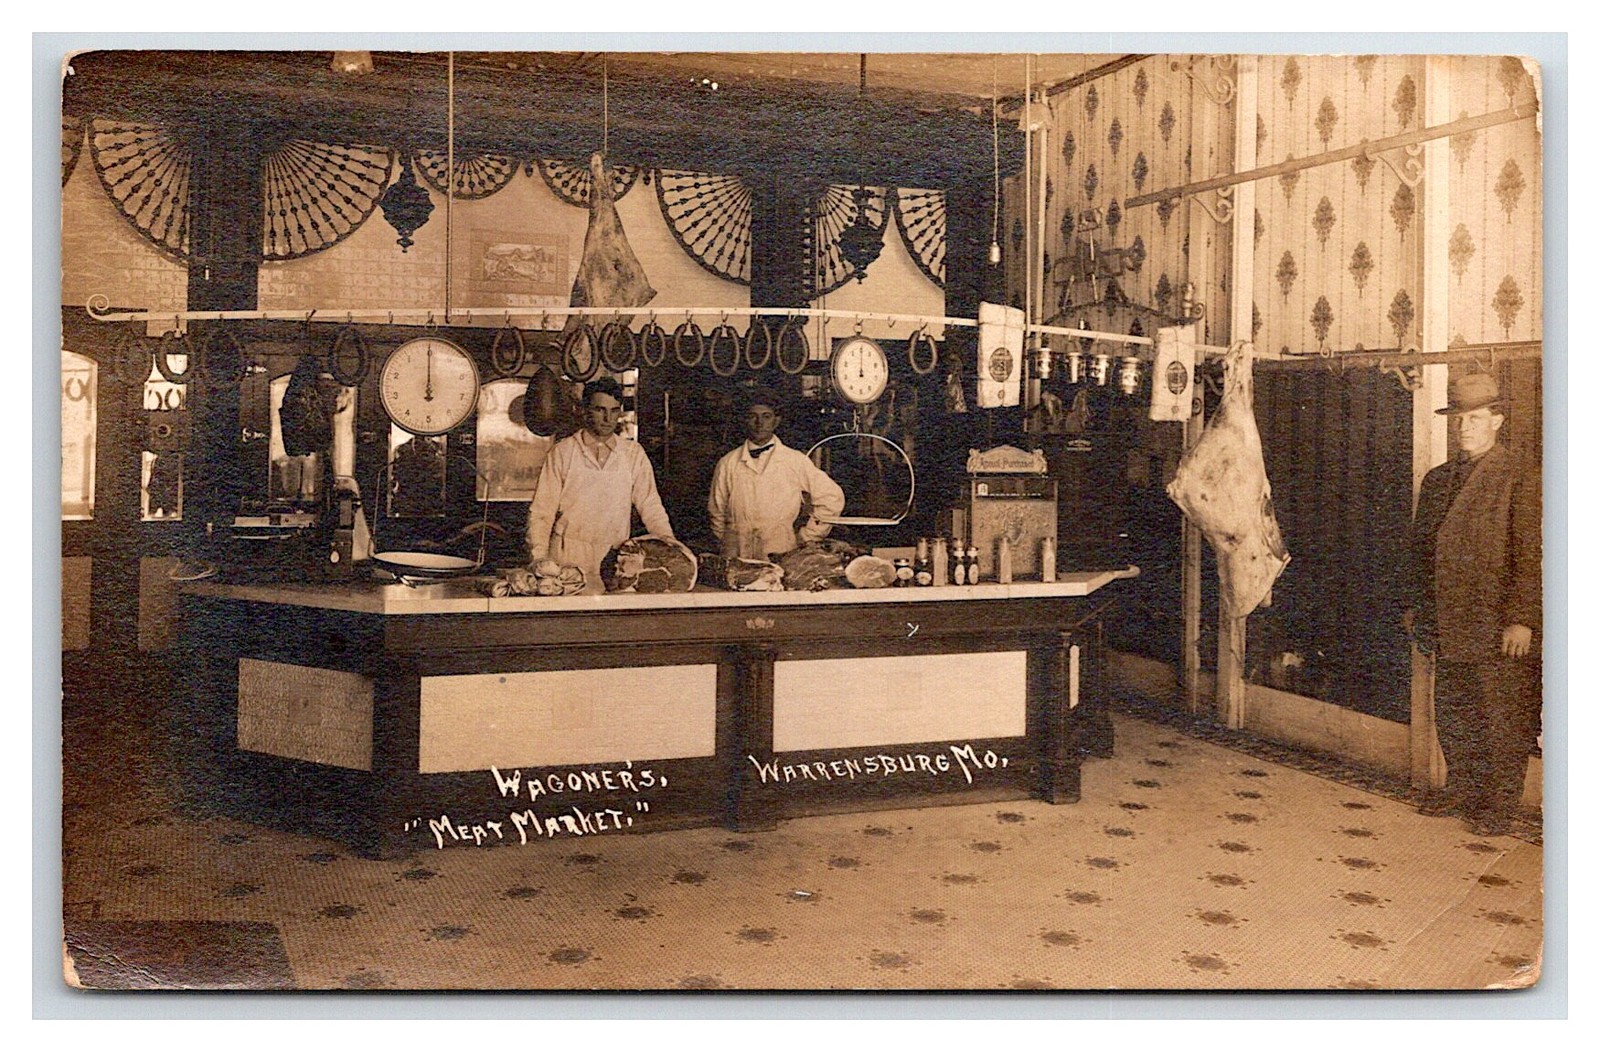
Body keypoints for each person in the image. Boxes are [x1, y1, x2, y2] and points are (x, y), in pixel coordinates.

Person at [1405, 372, 1540, 838]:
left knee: (1501, 714)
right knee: (1456, 709)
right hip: (1449, 617)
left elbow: (1532, 552)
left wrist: (1522, 619)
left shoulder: (1521, 475)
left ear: (1497, 420)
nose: (1465, 427)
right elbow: (1422, 552)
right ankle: (1463, 789)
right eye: (1459, 418)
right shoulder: (1439, 479)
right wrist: (1420, 610)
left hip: (1496, 621)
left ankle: (1500, 806)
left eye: (1476, 418)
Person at [525, 377, 673, 591]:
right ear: (585, 410)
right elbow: (541, 511)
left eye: (614, 410)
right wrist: (539, 557)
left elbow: (650, 505)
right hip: (567, 558)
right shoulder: (563, 452)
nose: (607, 418)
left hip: (617, 561)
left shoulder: (633, 454)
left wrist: (668, 544)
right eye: (600, 409)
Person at [707, 388, 845, 561]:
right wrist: (730, 541)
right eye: (753, 416)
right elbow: (716, 512)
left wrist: (807, 536)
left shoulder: (795, 460)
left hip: (782, 551)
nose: (759, 423)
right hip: (736, 553)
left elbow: (832, 498)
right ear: (744, 420)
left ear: (776, 421)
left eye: (766, 416)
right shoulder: (727, 463)